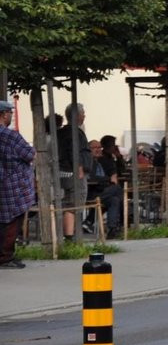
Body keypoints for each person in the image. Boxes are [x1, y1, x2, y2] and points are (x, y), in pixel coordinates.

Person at [0, 100, 35, 269]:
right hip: (13, 184)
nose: (11, 116)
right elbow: (29, 154)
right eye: (10, 113)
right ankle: (5, 257)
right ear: (4, 114)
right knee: (13, 220)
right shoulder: (10, 136)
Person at [57, 102, 92, 241]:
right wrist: (79, 169)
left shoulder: (61, 132)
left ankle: (69, 234)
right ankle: (70, 237)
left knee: (68, 204)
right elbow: (74, 151)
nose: (84, 116)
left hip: (63, 172)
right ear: (77, 115)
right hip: (73, 173)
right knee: (73, 204)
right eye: (83, 113)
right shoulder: (74, 133)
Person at [84, 140, 123, 239]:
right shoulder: (87, 162)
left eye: (100, 147)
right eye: (95, 148)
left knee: (115, 200)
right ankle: (124, 220)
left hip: (101, 192)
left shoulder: (100, 161)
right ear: (89, 150)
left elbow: (116, 171)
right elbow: (90, 178)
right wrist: (108, 179)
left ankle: (112, 229)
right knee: (117, 189)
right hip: (90, 193)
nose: (98, 150)